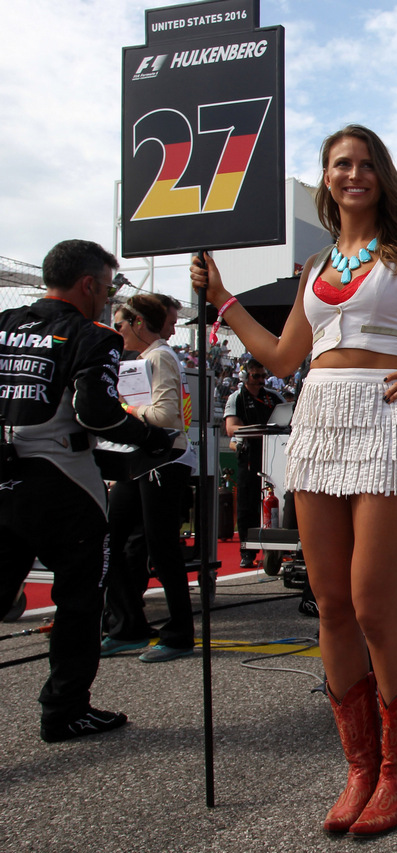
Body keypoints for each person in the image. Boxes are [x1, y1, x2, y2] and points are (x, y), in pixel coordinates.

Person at [190, 125, 397, 836]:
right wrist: (226, 301)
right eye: (339, 164)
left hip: (386, 420)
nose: (352, 174)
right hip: (319, 419)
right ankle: (359, 767)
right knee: (328, 601)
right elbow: (285, 353)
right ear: (326, 177)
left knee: (371, 605)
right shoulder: (316, 264)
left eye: (364, 164)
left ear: (381, 175)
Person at [0, 239, 173, 743]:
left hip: (4, 477)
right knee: (80, 599)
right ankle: (65, 709)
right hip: (63, 482)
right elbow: (95, 412)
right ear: (89, 284)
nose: (108, 297)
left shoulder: (5, 322)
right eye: (107, 285)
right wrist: (150, 437)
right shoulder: (92, 335)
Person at [100, 294, 198, 663]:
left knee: (162, 549)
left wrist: (125, 409)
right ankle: (127, 626)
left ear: (139, 323)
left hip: (163, 459)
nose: (117, 330)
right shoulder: (141, 358)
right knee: (115, 540)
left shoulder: (159, 356)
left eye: (121, 324)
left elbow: (166, 415)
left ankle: (179, 633)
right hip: (139, 459)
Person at [224, 359, 286, 567]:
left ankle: (279, 546)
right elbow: (231, 428)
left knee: (277, 499)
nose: (260, 381)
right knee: (247, 504)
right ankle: (247, 551)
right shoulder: (236, 398)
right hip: (249, 454)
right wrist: (255, 428)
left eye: (262, 376)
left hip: (274, 454)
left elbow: (288, 418)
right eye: (255, 376)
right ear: (244, 376)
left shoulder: (273, 396)